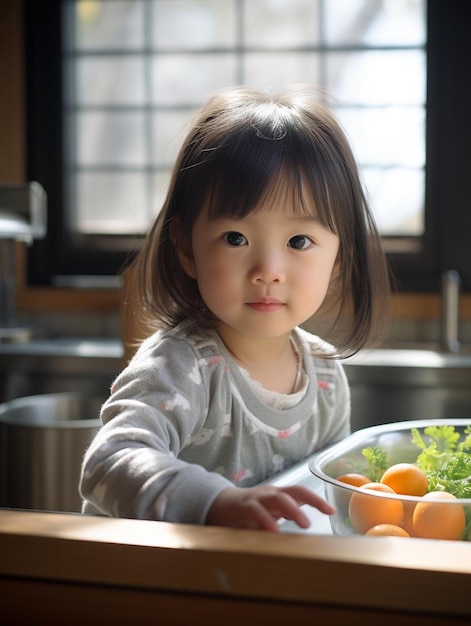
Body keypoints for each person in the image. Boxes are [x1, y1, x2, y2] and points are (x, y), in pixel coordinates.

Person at [79, 85, 390, 532]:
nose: (268, 270)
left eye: (299, 241)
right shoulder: (180, 366)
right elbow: (107, 462)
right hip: (145, 588)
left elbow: (322, 504)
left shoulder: (325, 378)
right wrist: (214, 503)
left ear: (338, 258)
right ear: (187, 248)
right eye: (235, 238)